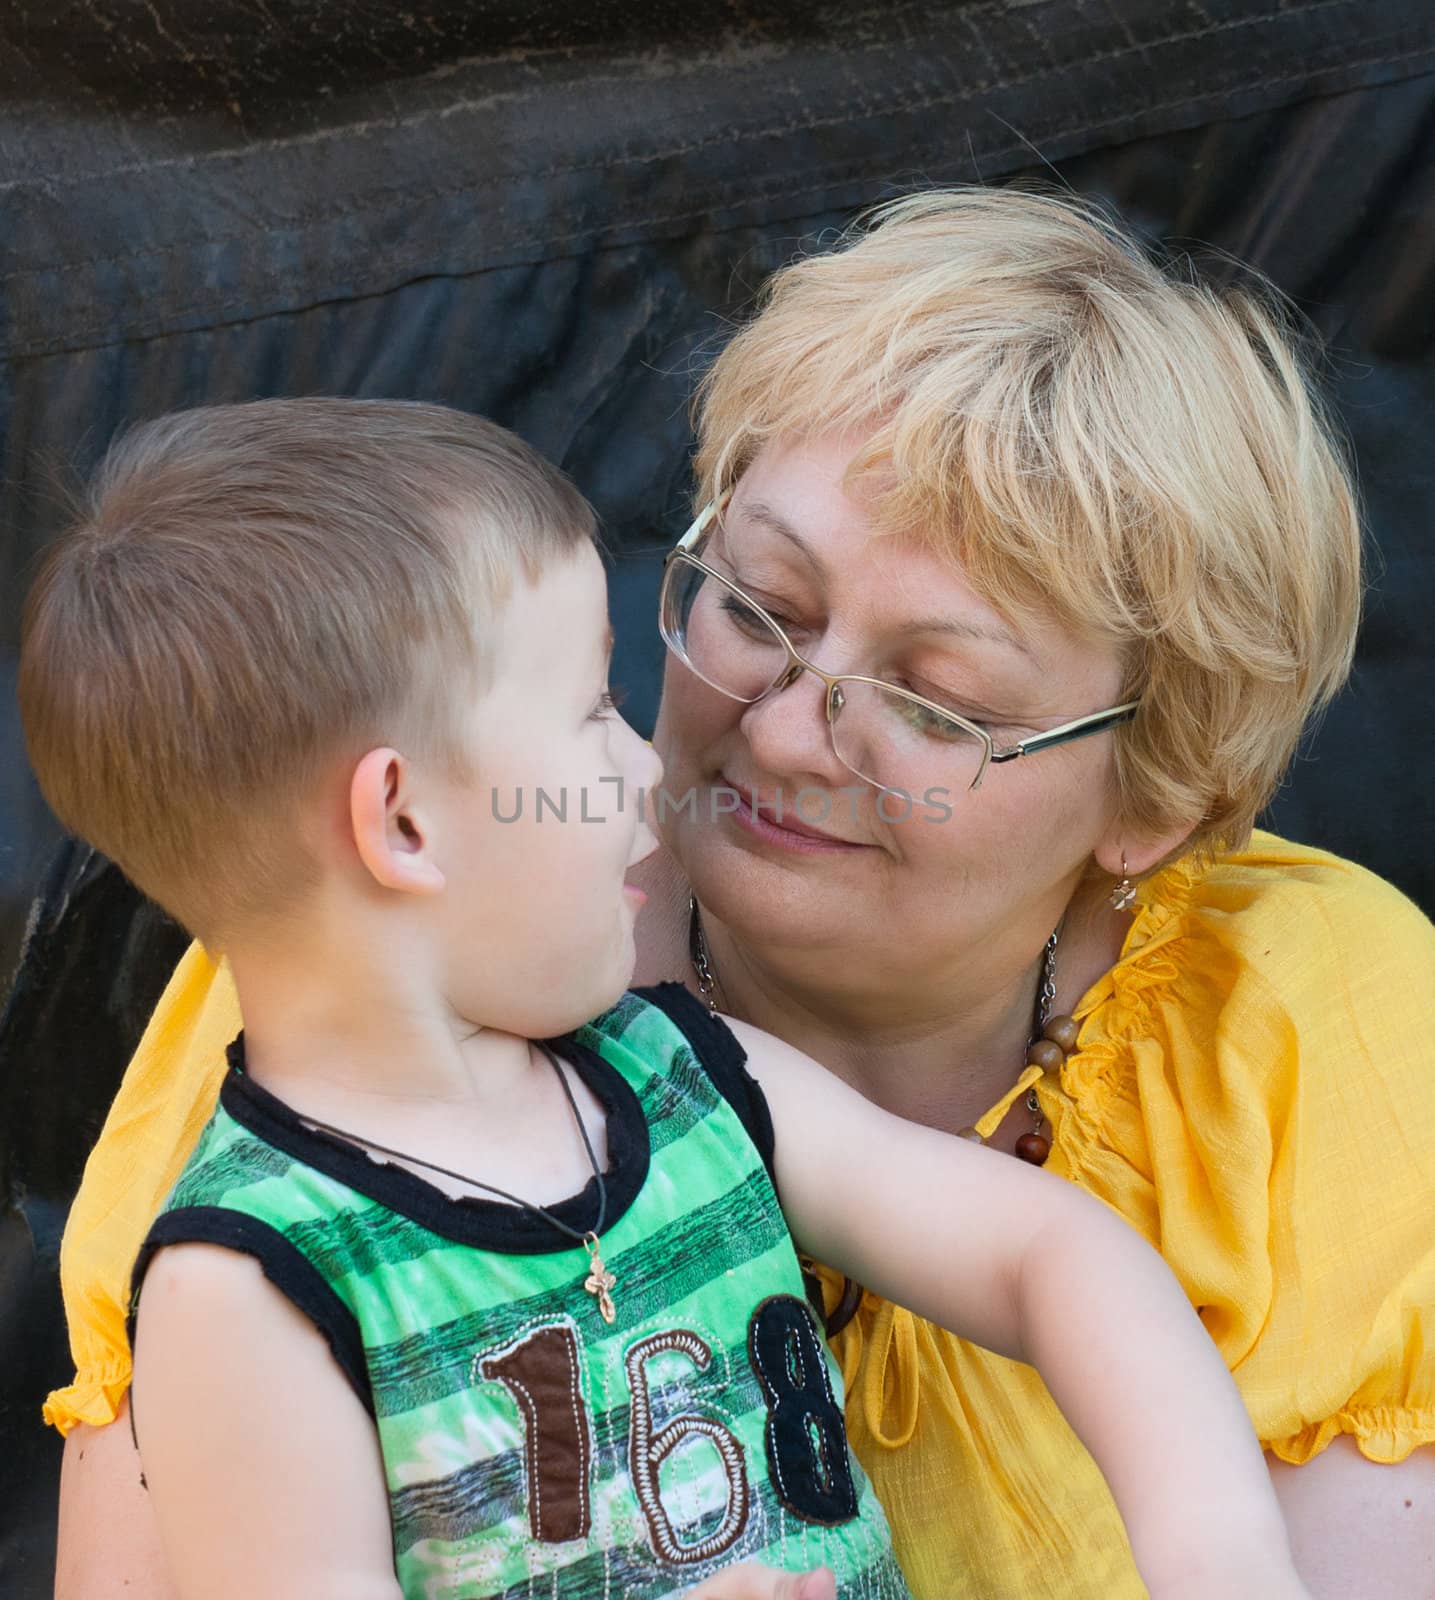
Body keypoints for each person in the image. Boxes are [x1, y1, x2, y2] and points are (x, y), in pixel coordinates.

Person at [46, 189, 1435, 1599]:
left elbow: (1064, 1273)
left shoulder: (1311, 1039)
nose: (772, 735)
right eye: (759, 604)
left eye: (936, 702)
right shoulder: (345, 991)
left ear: (1155, 801)